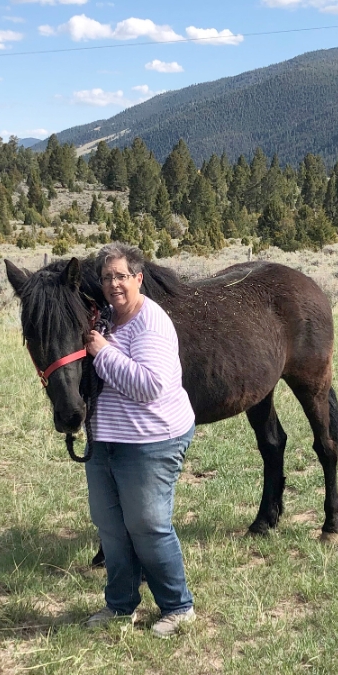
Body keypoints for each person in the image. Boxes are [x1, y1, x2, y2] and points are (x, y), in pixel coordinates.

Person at [82, 242, 197, 638]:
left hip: (151, 441)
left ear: (138, 278)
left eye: (120, 276)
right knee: (111, 527)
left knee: (148, 525)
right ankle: (120, 606)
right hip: (106, 442)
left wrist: (102, 353)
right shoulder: (107, 320)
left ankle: (178, 606)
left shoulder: (151, 322)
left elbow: (149, 386)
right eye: (106, 277)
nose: (113, 284)